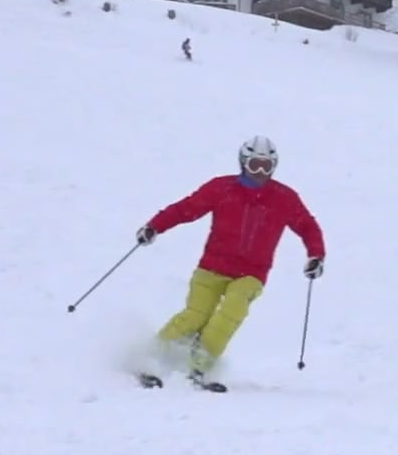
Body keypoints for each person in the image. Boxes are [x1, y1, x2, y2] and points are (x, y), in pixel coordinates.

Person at [135, 135, 324, 384]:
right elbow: (186, 209)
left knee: (232, 310)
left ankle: (200, 365)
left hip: (252, 273)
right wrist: (154, 227)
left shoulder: (283, 198)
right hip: (212, 267)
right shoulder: (222, 188)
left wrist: (315, 256)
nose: (260, 172)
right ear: (243, 163)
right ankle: (151, 358)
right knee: (196, 315)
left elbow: (308, 227)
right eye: (254, 164)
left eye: (266, 166)